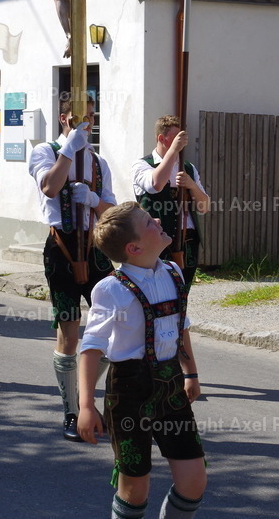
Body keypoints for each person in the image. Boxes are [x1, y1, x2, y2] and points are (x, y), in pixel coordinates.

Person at [77, 201, 206, 519]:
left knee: (194, 481)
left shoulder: (173, 273)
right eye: (149, 221)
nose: (158, 219)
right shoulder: (110, 290)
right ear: (133, 247)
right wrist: (85, 405)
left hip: (171, 386)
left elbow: (181, 325)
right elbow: (91, 347)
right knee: (135, 488)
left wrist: (190, 373)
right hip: (129, 392)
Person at [27, 97, 116, 440]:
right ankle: (71, 412)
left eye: (91, 118)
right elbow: (49, 186)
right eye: (80, 118)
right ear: (64, 118)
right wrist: (69, 150)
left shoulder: (98, 163)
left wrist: (94, 200)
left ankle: (86, 400)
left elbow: (110, 212)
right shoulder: (44, 152)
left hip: (94, 246)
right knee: (69, 332)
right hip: (61, 246)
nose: (86, 124)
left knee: (112, 325)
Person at [131, 115, 211, 292]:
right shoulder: (143, 165)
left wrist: (191, 185)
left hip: (187, 238)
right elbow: (155, 185)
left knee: (182, 292)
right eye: (176, 138)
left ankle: (179, 320)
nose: (181, 143)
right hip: (156, 239)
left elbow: (204, 206)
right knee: (157, 291)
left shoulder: (188, 167)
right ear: (162, 138)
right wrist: (173, 151)